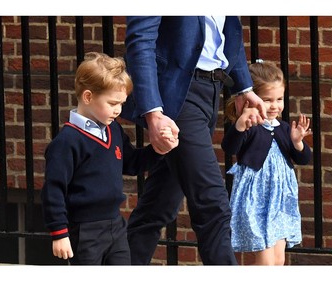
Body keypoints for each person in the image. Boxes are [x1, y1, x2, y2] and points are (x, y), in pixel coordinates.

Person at [121, 16, 267, 265]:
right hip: (177, 96)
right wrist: (153, 112)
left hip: (211, 91)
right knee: (212, 205)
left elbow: (230, 30)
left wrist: (243, 87)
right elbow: (141, 40)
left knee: (159, 205)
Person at [41, 52, 177, 265]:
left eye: (122, 103)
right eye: (113, 103)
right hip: (84, 230)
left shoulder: (113, 129)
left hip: (116, 224)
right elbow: (53, 190)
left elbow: (132, 163)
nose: (118, 110)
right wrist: (59, 233)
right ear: (88, 97)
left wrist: (158, 149)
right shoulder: (67, 142)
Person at [221, 60, 312, 265]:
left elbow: (304, 159)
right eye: (268, 99)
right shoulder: (250, 125)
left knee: (278, 261)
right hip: (257, 198)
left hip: (280, 200)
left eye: (279, 99)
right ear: (251, 99)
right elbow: (229, 147)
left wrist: (297, 142)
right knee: (266, 263)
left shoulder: (284, 127)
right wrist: (240, 124)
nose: (275, 105)